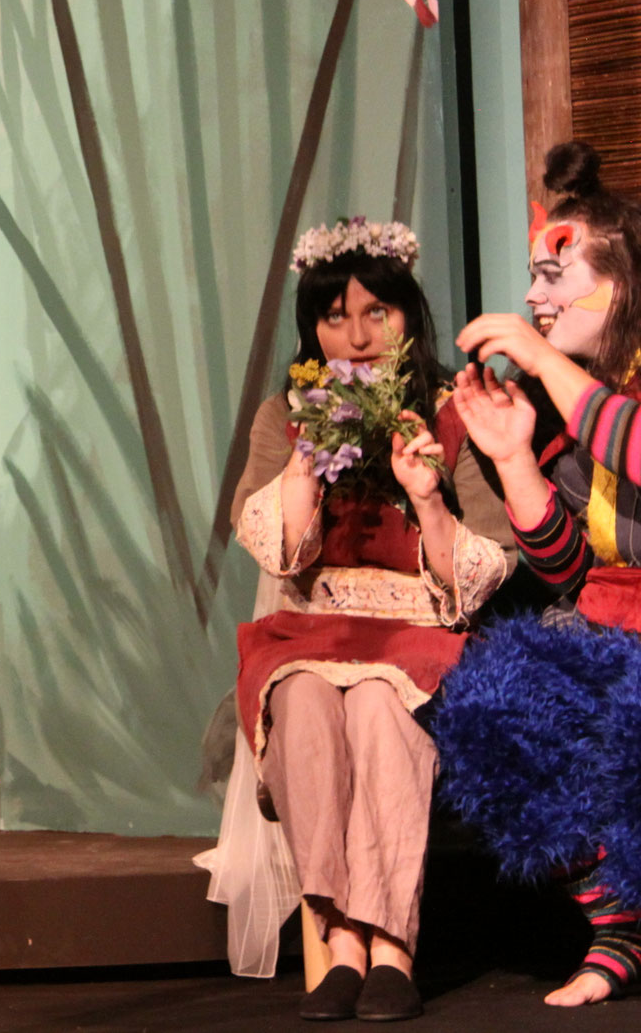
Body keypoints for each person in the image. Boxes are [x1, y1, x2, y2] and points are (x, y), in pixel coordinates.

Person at [432, 141, 641, 1016]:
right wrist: (514, 458)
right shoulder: (587, 390)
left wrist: (546, 366)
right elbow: (567, 568)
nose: (535, 299)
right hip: (614, 625)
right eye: (533, 279)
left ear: (623, 278)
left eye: (556, 273)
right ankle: (619, 926)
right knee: (489, 706)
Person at [204, 217, 514, 1022]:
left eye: (378, 311)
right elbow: (274, 548)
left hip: (418, 634)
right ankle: (341, 943)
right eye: (335, 316)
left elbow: (487, 562)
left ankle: (392, 950)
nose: (359, 335)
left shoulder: (448, 413)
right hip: (311, 631)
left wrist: (426, 496)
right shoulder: (284, 416)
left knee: (380, 707)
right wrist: (308, 458)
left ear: (409, 312)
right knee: (303, 701)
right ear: (312, 326)